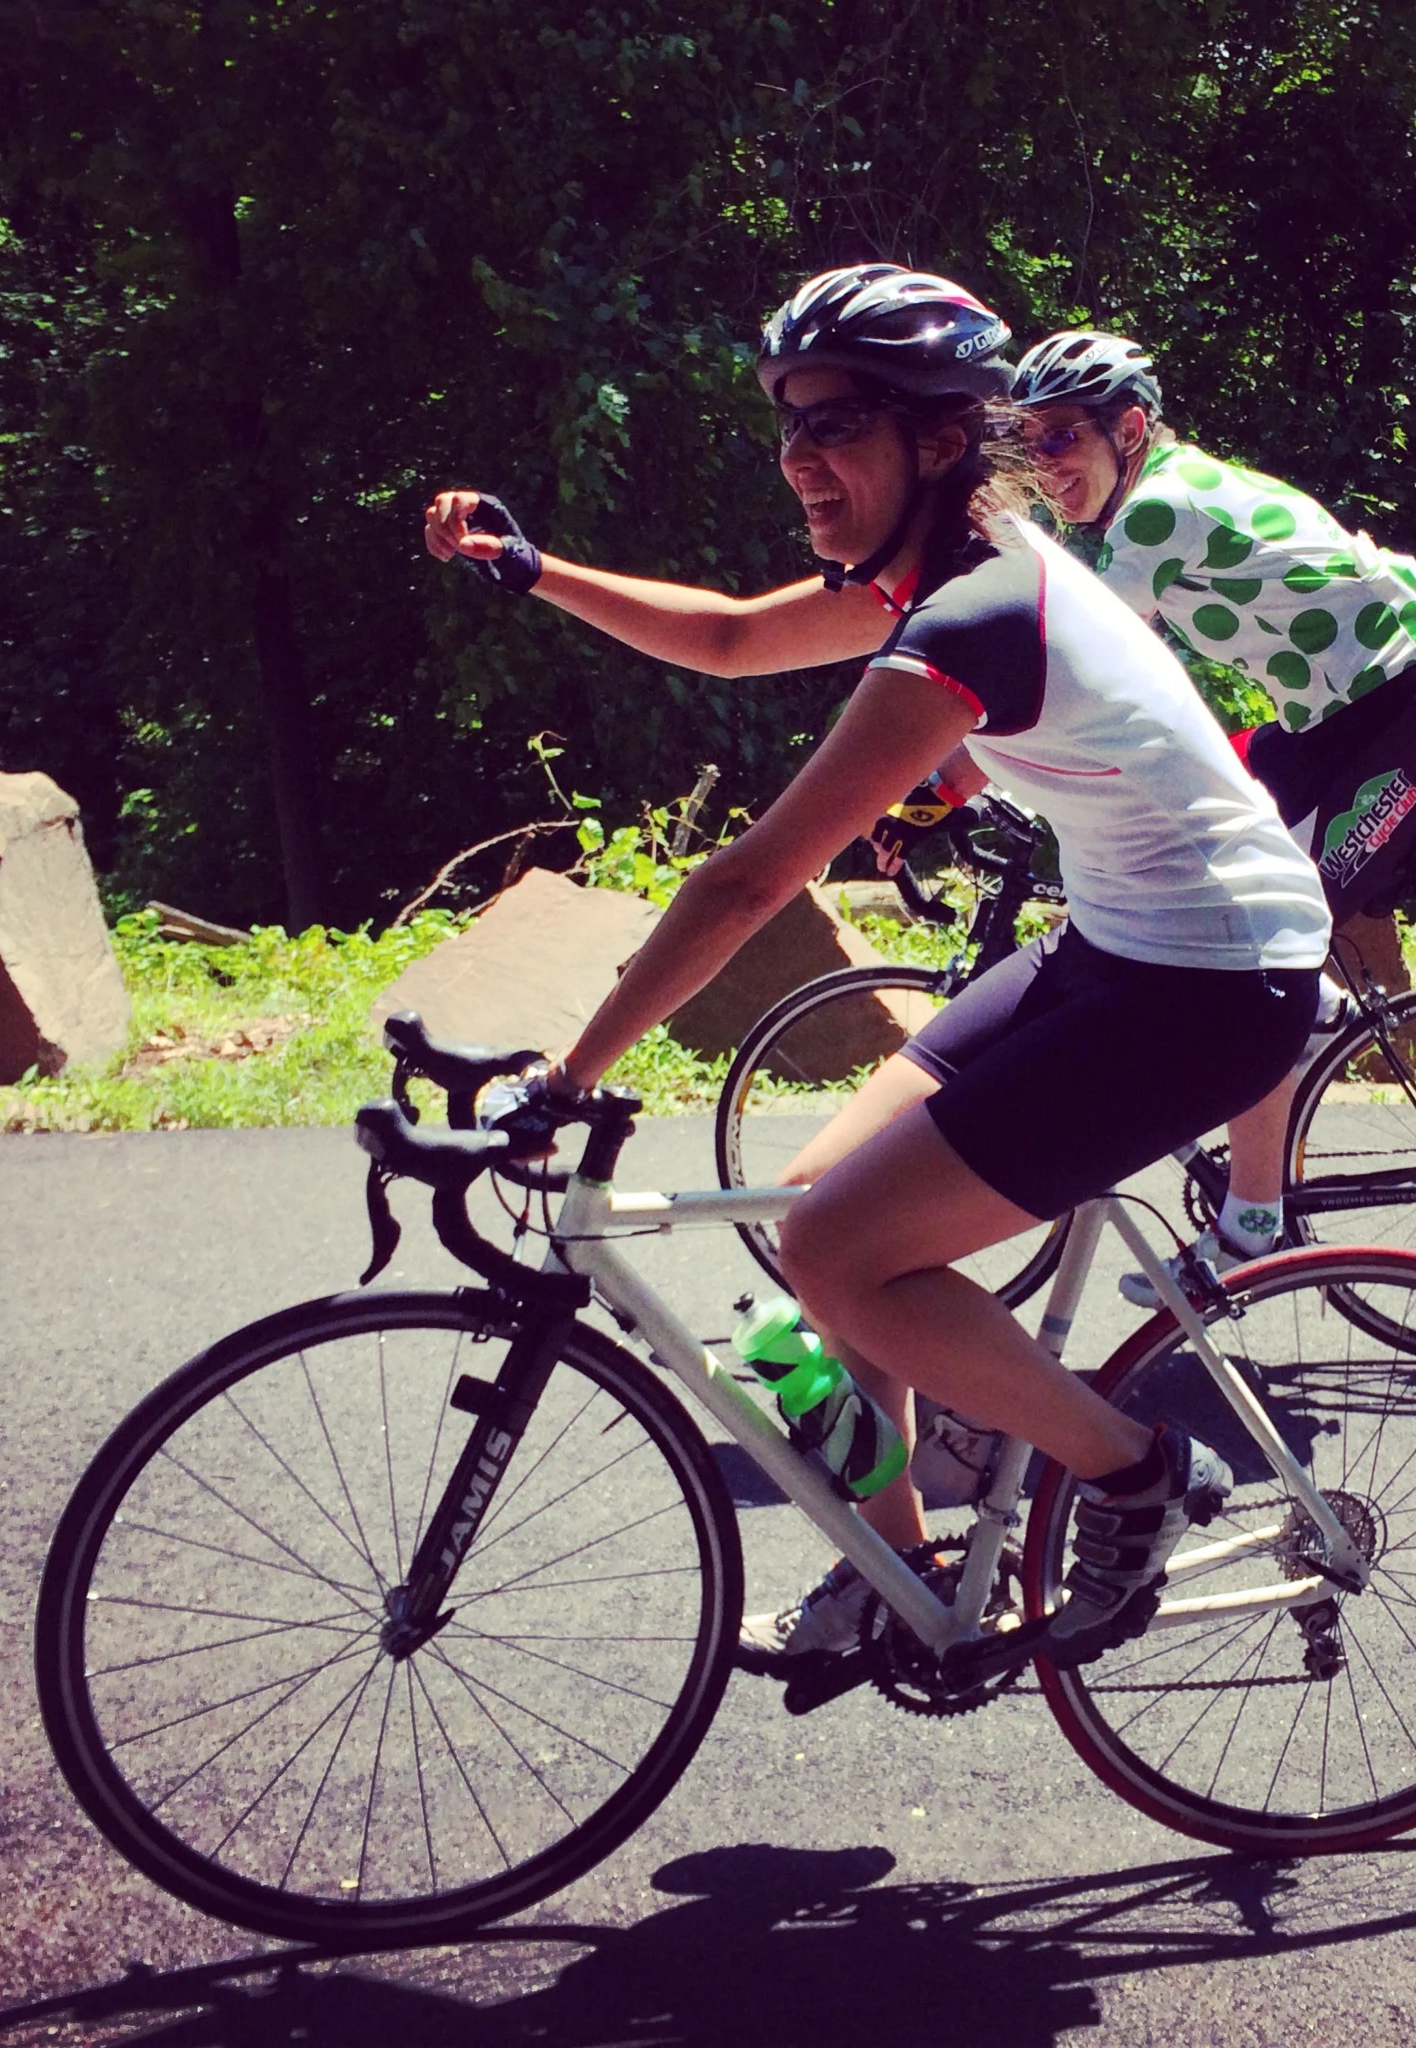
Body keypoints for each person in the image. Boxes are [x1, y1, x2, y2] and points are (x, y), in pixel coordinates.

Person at [422, 265, 1331, 1677]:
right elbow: (731, 637)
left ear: (939, 438)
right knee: (807, 1225)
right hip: (1117, 942)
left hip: (1217, 981)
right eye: (787, 424)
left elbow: (750, 880)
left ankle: (1134, 1469)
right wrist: (538, 573)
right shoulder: (933, 577)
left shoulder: (977, 616)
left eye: (835, 423)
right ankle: (897, 1575)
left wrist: (568, 1076)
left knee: (837, 1252)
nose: (799, 457)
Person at [1004, 328, 1416, 1299]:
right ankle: (1312, 1019)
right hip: (1331, 728)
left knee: (1262, 963)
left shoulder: (1155, 513)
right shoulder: (1162, 492)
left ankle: (1254, 1224)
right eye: (1026, 442)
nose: (1042, 464)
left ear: (1128, 429)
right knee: (1202, 835)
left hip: (1396, 733)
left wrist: (952, 774)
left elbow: (1062, 656)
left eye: (1059, 438)